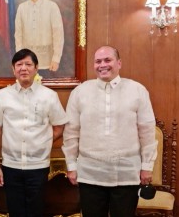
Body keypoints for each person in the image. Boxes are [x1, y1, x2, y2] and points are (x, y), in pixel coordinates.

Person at [62, 45, 158, 217]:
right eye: (98, 61)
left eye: (108, 60)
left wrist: (147, 166)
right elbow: (71, 132)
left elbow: (147, 132)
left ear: (119, 63)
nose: (102, 65)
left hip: (127, 173)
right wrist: (71, 165)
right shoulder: (80, 92)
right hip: (90, 174)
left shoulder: (137, 90)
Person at [0, 48, 68, 216]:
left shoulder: (49, 96)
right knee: (15, 211)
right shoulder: (2, 96)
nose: (24, 68)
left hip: (38, 166)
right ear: (13, 69)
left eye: (28, 64)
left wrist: (43, 141)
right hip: (10, 166)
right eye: (19, 64)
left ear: (36, 68)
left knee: (36, 211)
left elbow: (59, 126)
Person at [14, 0, 64, 73]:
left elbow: (58, 34)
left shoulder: (52, 7)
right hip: (26, 63)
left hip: (48, 63)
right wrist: (19, 59)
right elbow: (18, 35)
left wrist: (56, 59)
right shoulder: (21, 8)